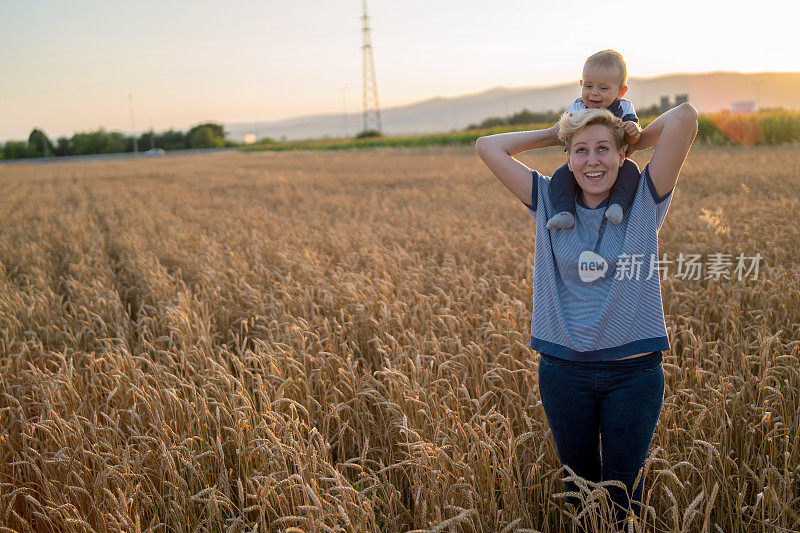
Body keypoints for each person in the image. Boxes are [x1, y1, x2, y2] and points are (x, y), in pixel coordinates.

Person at [475, 103, 698, 529]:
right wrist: (558, 132)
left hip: (634, 374)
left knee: (621, 498)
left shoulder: (644, 200)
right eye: (580, 151)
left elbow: (684, 117)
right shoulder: (546, 201)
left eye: (602, 150)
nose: (592, 160)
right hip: (563, 373)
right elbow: (488, 147)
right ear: (567, 158)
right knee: (578, 494)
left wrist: (629, 136)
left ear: (620, 157)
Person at [546, 50, 642, 230]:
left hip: (615, 164)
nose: (594, 94)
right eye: (588, 86)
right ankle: (565, 212)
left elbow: (633, 131)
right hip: (578, 165)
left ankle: (618, 205)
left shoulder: (625, 107)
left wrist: (633, 129)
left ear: (621, 91)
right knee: (560, 176)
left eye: (603, 88)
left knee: (631, 171)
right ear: (581, 84)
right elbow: (564, 129)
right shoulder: (577, 106)